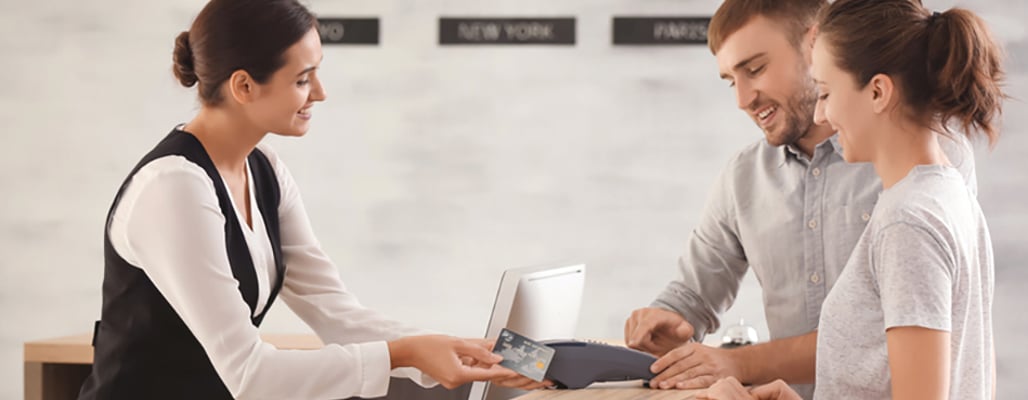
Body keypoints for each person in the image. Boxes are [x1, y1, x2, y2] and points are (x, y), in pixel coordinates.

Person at [76, 0, 543, 398]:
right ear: (243, 86)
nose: (320, 92)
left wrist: (460, 349)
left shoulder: (265, 170)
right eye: (304, 78)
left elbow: (337, 313)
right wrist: (404, 353)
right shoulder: (174, 186)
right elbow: (251, 375)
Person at [623, 0, 976, 397]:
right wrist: (665, 321)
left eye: (755, 69)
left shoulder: (919, 182)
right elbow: (691, 292)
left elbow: (910, 333)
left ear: (813, 45)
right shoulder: (743, 177)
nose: (742, 99)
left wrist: (738, 363)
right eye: (730, 80)